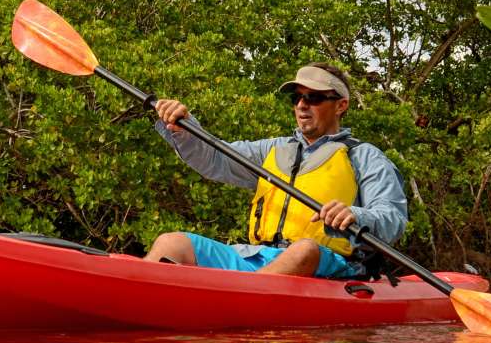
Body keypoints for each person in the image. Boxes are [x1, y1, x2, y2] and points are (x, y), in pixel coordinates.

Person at [142, 63, 408, 278]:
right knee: (171, 242)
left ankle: (238, 304)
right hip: (256, 256)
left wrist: (354, 214)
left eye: (313, 98)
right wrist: (185, 126)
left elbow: (392, 218)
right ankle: (139, 298)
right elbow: (214, 158)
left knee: (304, 250)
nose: (302, 105)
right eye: (297, 98)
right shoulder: (272, 150)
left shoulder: (364, 156)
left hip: (328, 262)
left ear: (341, 105)